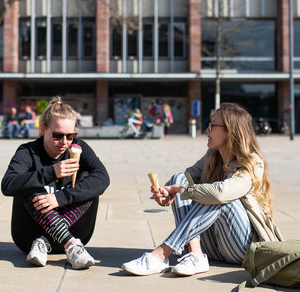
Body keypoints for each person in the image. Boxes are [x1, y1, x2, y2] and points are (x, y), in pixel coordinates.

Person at [121, 102, 283, 276]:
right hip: (212, 246)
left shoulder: (252, 162)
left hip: (242, 248)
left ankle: (160, 254)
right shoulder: (213, 156)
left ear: (230, 131)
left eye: (213, 125)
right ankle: (195, 254)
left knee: (218, 196)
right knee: (180, 178)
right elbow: (185, 179)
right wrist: (167, 192)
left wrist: (181, 191)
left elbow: (220, 193)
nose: (207, 130)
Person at [1, 97, 110, 269]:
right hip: (29, 238)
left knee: (90, 181)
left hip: (77, 231)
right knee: (30, 184)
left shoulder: (79, 148)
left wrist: (61, 198)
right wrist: (51, 172)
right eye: (58, 135)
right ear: (43, 129)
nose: (65, 142)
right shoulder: (28, 151)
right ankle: (70, 244)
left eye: (70, 136)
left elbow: (103, 178)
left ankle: (47, 240)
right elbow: (8, 184)